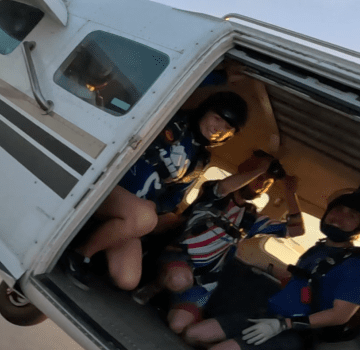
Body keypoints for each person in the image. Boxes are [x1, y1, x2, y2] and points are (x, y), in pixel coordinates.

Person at [185, 182, 360, 350]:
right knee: (192, 335)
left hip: (298, 333)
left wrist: (282, 325)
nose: (340, 217)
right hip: (269, 316)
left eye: (352, 215)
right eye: (337, 209)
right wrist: (265, 267)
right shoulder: (318, 250)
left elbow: (340, 316)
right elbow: (301, 282)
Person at [66, 91, 249, 291]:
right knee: (145, 217)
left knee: (128, 280)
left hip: (135, 213)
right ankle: (80, 253)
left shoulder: (200, 160)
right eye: (217, 119)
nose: (219, 129)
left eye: (228, 128)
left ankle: (97, 237)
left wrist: (160, 208)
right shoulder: (170, 120)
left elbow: (175, 197)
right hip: (107, 189)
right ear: (205, 110)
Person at [149, 151, 305, 335]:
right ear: (244, 171)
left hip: (205, 280)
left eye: (266, 183)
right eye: (258, 176)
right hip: (179, 258)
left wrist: (290, 194)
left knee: (178, 325)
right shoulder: (214, 191)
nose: (260, 183)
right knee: (179, 280)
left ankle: (170, 303)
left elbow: (296, 230)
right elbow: (223, 188)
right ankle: (153, 287)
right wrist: (259, 169)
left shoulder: (250, 217)